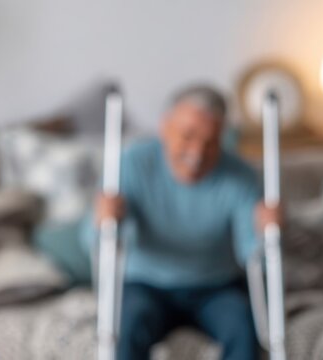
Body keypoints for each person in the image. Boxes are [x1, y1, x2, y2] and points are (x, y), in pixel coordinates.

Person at [85, 85, 280, 360]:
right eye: (188, 136)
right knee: (127, 328)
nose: (198, 152)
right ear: (165, 127)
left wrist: (267, 232)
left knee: (243, 327)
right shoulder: (130, 164)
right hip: (145, 284)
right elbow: (93, 242)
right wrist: (102, 219)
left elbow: (252, 251)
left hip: (216, 286)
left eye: (210, 141)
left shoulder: (242, 176)